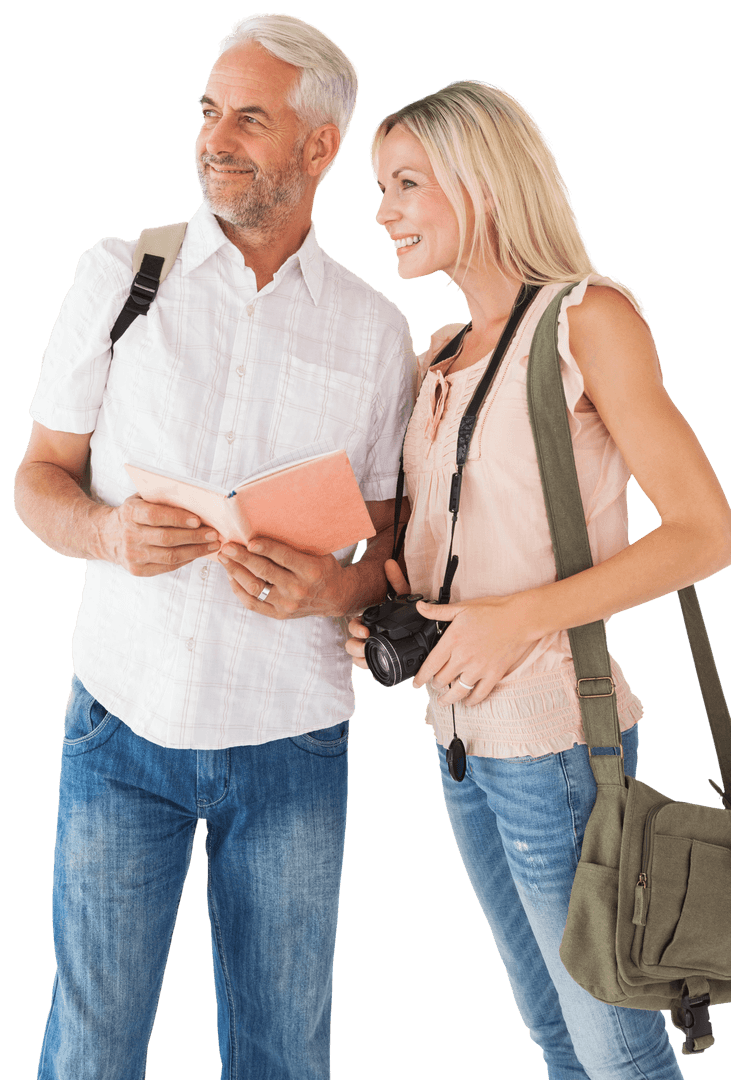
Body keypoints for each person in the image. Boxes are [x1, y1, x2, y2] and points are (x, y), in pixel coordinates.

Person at [14, 13, 416, 1080]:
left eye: (250, 116)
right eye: (207, 111)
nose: (214, 137)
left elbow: (386, 548)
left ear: (320, 147)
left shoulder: (375, 330)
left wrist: (335, 584)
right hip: (119, 728)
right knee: (91, 1046)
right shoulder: (119, 275)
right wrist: (104, 529)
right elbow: (37, 482)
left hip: (289, 742)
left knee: (283, 1055)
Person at [346, 81, 731, 1078]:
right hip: (459, 742)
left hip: (553, 743)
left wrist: (516, 621)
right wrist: (387, 616)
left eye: (404, 183)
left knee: (619, 1056)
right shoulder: (438, 357)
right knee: (553, 1035)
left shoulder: (583, 321)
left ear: (479, 181)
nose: (380, 210)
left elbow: (702, 532)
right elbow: (454, 553)